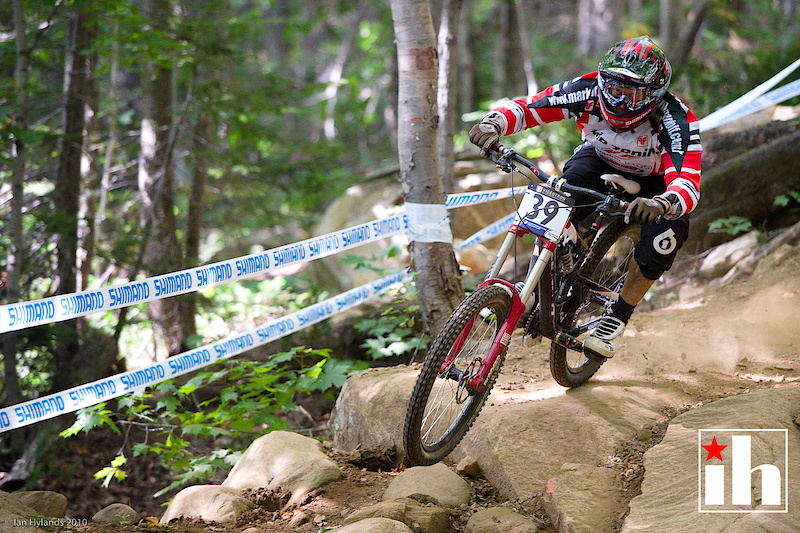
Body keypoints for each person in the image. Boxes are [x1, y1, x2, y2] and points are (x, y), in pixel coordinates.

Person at [469, 36, 701, 359]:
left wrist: (662, 203)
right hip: (598, 159)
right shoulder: (588, 89)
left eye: (631, 94)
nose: (619, 102)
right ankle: (541, 281)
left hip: (654, 183)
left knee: (664, 238)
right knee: (561, 193)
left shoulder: (676, 119)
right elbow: (531, 107)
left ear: (654, 95)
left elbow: (688, 183)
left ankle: (617, 317)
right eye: (614, 89)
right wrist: (494, 124)